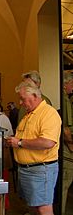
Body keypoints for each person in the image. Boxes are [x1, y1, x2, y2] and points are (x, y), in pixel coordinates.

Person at [5, 80, 61, 215]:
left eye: (22, 99)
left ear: (35, 96)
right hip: (27, 170)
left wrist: (19, 143)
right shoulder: (28, 114)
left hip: (41, 169)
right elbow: (26, 137)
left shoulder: (48, 113)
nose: (20, 102)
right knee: (32, 207)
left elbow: (48, 142)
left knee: (43, 209)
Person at [62, 71, 73, 215]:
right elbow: (65, 128)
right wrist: (71, 146)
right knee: (66, 183)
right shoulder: (65, 100)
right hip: (67, 148)